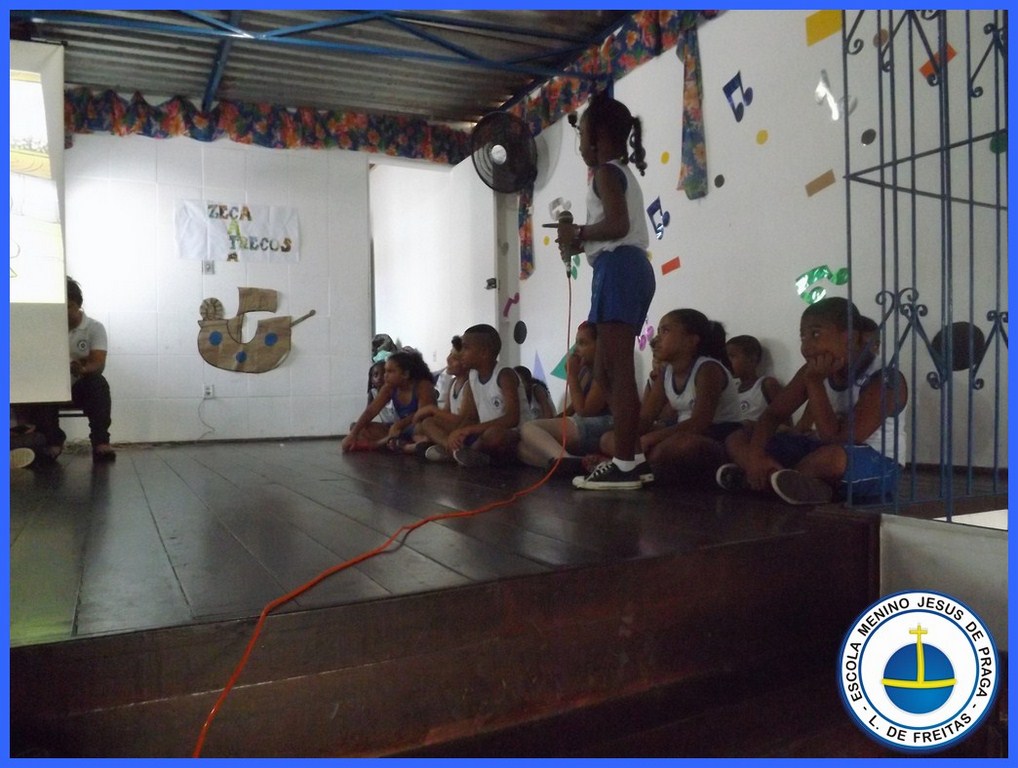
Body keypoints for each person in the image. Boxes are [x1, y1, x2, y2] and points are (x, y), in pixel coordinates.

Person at [556, 91, 655, 490]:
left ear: (597, 138)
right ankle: (634, 457)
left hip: (620, 268)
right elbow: (614, 229)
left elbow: (617, 225)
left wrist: (579, 233)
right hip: (620, 267)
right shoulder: (617, 174)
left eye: (581, 137)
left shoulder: (605, 174)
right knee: (604, 371)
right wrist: (581, 241)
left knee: (616, 371)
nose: (580, 146)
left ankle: (626, 463)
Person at [718, 298, 908, 505]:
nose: (806, 347)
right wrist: (756, 456)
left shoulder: (885, 379)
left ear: (850, 337)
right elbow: (772, 415)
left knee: (830, 458)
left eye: (815, 334)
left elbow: (837, 439)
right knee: (738, 436)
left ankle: (762, 479)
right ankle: (777, 479)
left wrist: (815, 382)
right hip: (821, 448)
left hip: (876, 461)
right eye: (803, 337)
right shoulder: (813, 369)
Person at [605, 308, 742, 486]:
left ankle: (637, 464)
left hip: (716, 435)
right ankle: (637, 464)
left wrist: (649, 439)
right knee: (609, 438)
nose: (656, 339)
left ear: (691, 340)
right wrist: (628, 437)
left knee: (677, 447)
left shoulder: (708, 369)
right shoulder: (666, 372)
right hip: (679, 431)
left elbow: (700, 423)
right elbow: (646, 417)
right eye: (659, 331)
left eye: (665, 331)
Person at [14, 276, 116, 463]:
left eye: (69, 306)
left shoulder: (93, 328)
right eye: (60, 307)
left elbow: (98, 362)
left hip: (80, 386)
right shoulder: (45, 330)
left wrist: (83, 369)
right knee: (40, 386)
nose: (65, 312)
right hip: (52, 387)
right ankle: (53, 440)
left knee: (98, 384)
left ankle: (101, 441)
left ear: (78, 305)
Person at [423, 323, 531, 468]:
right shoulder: (473, 376)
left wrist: (469, 430)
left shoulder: (505, 375)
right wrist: (458, 433)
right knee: (429, 423)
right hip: (482, 432)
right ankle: (452, 448)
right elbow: (471, 417)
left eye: (466, 348)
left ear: (484, 353)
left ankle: (465, 453)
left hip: (512, 433)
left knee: (494, 435)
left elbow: (512, 418)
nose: (461, 353)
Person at [516, 321, 612, 473]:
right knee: (522, 449)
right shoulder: (585, 371)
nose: (576, 349)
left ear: (599, 346)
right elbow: (573, 407)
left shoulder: (605, 371)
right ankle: (580, 464)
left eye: (583, 343)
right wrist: (553, 421)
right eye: (576, 343)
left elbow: (584, 411)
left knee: (528, 428)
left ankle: (566, 460)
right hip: (584, 426)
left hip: (603, 425)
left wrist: (572, 375)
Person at [341, 349, 436, 453]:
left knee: (422, 427)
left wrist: (399, 425)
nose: (385, 375)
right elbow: (371, 411)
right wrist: (353, 434)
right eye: (385, 371)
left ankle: (393, 444)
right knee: (360, 427)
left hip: (419, 426)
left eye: (390, 371)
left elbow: (422, 414)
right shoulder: (389, 387)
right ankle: (401, 444)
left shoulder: (423, 386)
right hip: (401, 429)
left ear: (405, 374)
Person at [413, 336, 467, 452]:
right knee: (421, 426)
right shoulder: (453, 382)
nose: (448, 359)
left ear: (465, 362)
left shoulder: (469, 385)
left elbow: (463, 420)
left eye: (455, 358)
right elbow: (446, 412)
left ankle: (450, 449)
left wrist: (432, 409)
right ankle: (441, 445)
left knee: (428, 423)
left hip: (465, 428)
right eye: (450, 354)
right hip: (454, 426)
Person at [725, 335, 783, 424]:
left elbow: (785, 422)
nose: (727, 362)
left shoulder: (766, 385)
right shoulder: (732, 389)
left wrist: (752, 425)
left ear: (751, 359)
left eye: (732, 356)